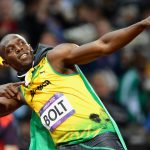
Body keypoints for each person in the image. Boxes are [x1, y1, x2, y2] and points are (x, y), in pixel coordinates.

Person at [0, 16, 150, 150]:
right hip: (65, 147)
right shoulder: (21, 90)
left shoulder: (55, 58)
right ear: (6, 63)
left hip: (96, 136)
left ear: (30, 47)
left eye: (21, 43)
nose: (19, 48)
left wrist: (142, 25)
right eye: (11, 49)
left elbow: (103, 45)